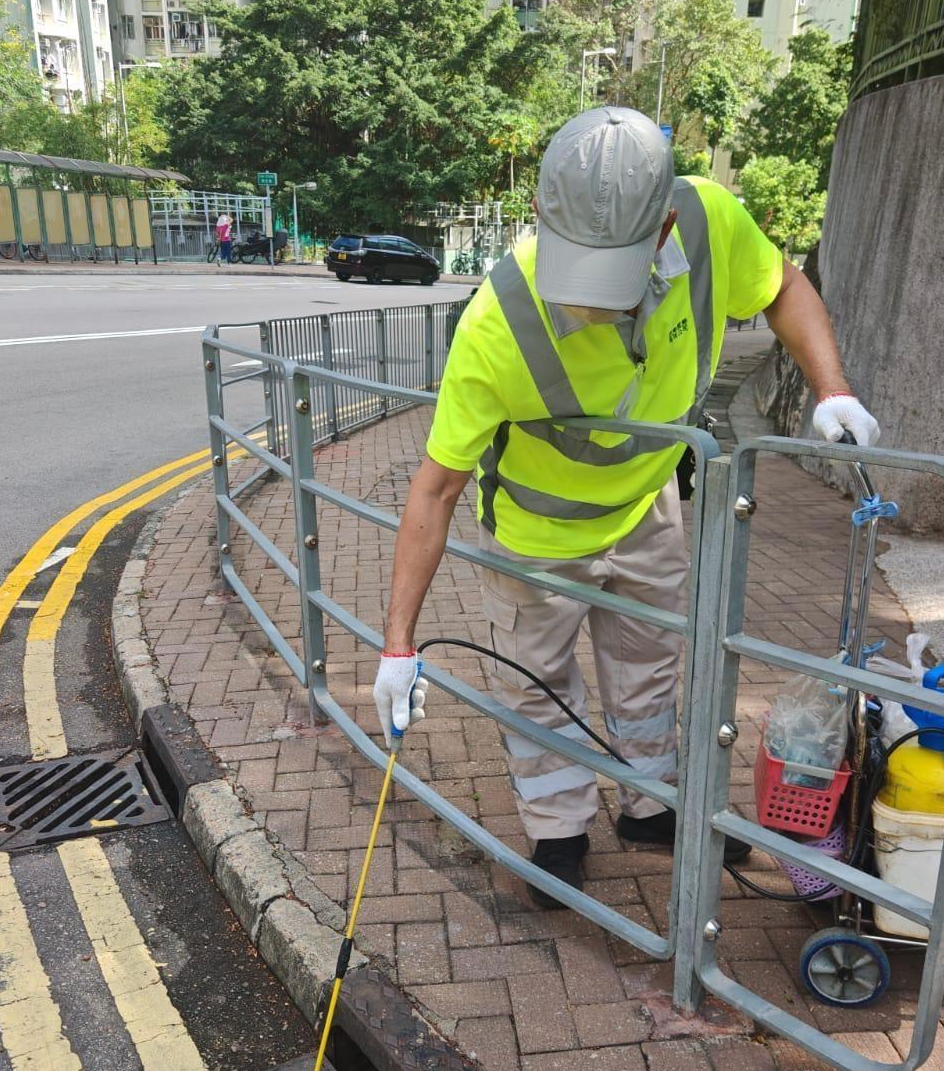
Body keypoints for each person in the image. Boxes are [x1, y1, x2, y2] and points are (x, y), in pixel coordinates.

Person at [372, 107, 879, 907]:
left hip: (646, 508)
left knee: (647, 669)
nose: (591, 309)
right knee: (537, 687)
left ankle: (649, 808)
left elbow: (780, 285)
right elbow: (434, 488)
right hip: (535, 541)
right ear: (541, 217)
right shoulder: (494, 323)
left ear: (664, 226)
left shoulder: (711, 224)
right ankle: (558, 833)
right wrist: (396, 643)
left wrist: (831, 389)